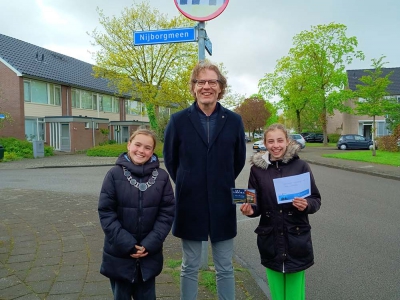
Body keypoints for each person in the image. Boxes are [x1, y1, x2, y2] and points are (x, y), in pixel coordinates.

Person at [163, 60, 246, 299]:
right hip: (190, 201)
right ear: (193, 87)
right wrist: (190, 182)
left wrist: (219, 180)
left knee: (225, 267)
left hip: (222, 202)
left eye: (212, 81)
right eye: (201, 82)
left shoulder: (234, 121)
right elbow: (171, 160)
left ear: (221, 87)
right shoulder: (178, 121)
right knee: (189, 266)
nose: (206, 86)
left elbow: (237, 160)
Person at [240, 123, 321, 300]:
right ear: (265, 143)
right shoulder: (257, 170)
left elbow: (315, 200)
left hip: (296, 237)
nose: (275, 145)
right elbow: (254, 204)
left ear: (287, 141)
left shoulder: (301, 166)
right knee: (276, 294)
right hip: (271, 239)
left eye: (279, 140)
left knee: (294, 295)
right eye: (271, 141)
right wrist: (248, 210)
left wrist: (306, 204)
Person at [98, 128, 175, 300]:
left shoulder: (162, 177)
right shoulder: (113, 175)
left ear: (153, 151)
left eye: (147, 147)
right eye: (137, 145)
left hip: (149, 255)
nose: (141, 150)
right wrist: (127, 244)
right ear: (129, 145)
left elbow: (167, 213)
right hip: (119, 254)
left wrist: (150, 244)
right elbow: (106, 213)